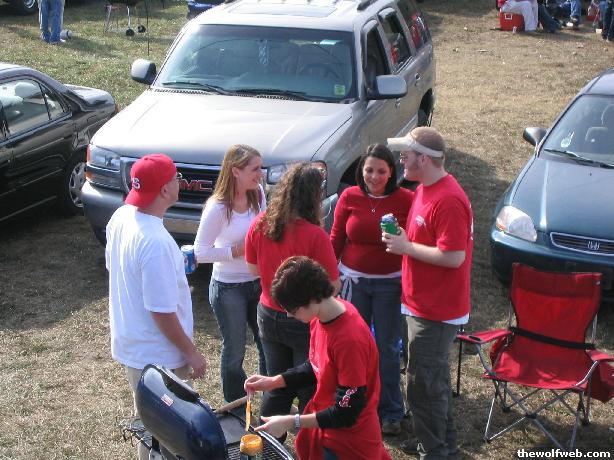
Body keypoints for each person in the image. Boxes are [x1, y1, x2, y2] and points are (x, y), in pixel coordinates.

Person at [105, 154, 207, 460]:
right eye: (176, 178)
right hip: (158, 357)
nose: (180, 182)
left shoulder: (122, 217)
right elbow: (161, 311)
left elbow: (116, 268)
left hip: (134, 346)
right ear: (165, 189)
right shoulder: (156, 242)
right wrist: (191, 352)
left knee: (150, 426)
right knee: (168, 433)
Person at [383, 127, 473, 459]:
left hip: (436, 310)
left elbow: (454, 257)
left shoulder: (448, 200)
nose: (400, 160)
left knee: (424, 385)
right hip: (419, 303)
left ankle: (435, 451)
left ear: (423, 159)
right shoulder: (425, 189)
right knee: (430, 380)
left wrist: (407, 247)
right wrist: (405, 240)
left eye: (405, 155)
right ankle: (437, 443)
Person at [245, 256, 391, 460]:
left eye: (292, 310)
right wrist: (274, 381)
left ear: (312, 299)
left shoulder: (349, 340)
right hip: (325, 430)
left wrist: (292, 421)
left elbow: (346, 412)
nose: (289, 315)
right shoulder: (321, 317)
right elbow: (315, 366)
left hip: (349, 443)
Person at [245, 163, 341, 435]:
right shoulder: (315, 235)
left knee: (277, 384)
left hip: (267, 313)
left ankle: (265, 443)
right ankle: (309, 443)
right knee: (309, 386)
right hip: (301, 320)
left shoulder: (260, 223)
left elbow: (253, 269)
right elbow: (331, 286)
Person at [329, 143, 413, 436]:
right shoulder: (349, 196)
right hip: (353, 284)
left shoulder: (406, 199)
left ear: (391, 172)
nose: (374, 177)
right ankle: (356, 406)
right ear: (361, 170)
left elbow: (415, 239)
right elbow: (336, 237)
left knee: (387, 350)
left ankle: (391, 411)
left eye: (381, 171)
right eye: (369, 170)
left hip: (390, 284)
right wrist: (330, 275)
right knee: (355, 349)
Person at [193, 144, 267, 406]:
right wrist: (237, 250)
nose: (260, 174)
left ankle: (270, 400)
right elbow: (200, 253)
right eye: (254, 169)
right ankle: (236, 405)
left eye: (260, 167)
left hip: (257, 282)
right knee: (235, 349)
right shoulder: (217, 208)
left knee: (266, 343)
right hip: (228, 288)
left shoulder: (258, 193)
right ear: (236, 171)